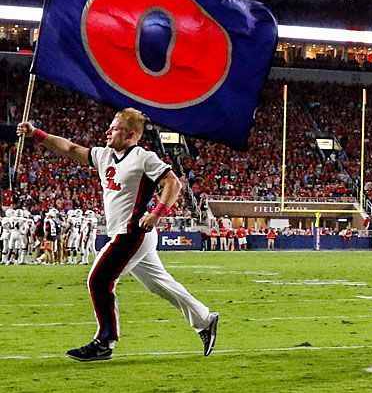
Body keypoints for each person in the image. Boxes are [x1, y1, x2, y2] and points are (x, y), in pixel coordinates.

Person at [17, 110, 220, 361]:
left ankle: (105, 341)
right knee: (159, 284)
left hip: (132, 232)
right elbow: (70, 148)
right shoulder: (104, 155)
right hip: (127, 233)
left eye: (114, 128)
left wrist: (158, 212)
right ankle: (205, 319)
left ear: (131, 134)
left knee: (99, 280)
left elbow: (173, 183)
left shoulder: (143, 157)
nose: (107, 132)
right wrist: (36, 133)